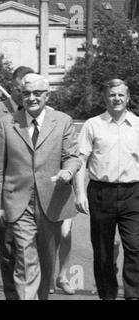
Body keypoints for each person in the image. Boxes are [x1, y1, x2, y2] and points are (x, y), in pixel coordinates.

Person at [0, 73, 80, 300]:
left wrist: (67, 171)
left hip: (52, 201)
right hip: (18, 201)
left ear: (47, 95)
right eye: (26, 93)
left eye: (37, 93)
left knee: (46, 260)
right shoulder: (7, 123)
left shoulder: (63, 121)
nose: (31, 98)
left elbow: (73, 157)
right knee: (24, 257)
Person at [75, 79, 139, 300]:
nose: (117, 99)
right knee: (103, 251)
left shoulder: (138, 125)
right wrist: (80, 193)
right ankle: (108, 295)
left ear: (128, 97)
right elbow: (80, 161)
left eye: (121, 95)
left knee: (135, 247)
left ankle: (133, 295)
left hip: (133, 193)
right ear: (105, 98)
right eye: (112, 95)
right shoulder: (93, 125)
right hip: (102, 193)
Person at [0, 66, 34, 300]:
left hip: (33, 196)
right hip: (3, 193)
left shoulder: (39, 112)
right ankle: (13, 295)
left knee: (30, 251)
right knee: (8, 252)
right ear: (13, 85)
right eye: (22, 86)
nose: (25, 91)